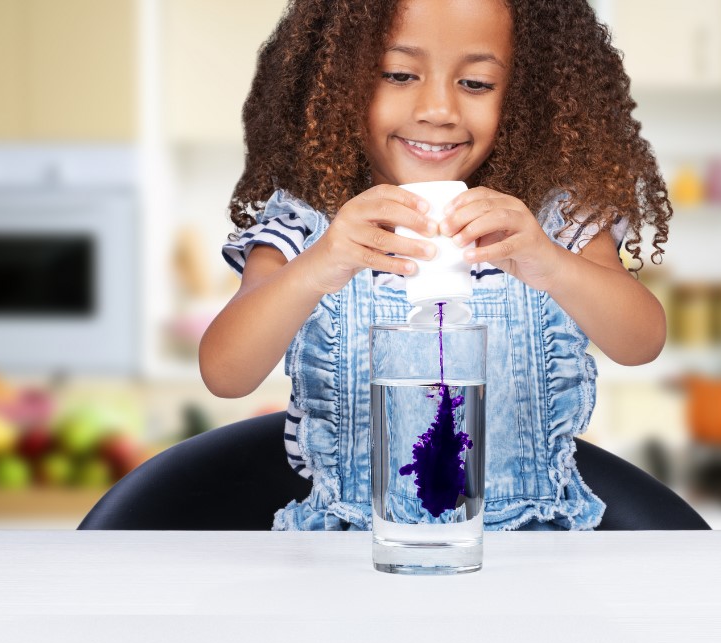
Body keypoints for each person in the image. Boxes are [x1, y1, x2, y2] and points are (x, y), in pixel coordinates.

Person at [200, 0, 677, 531]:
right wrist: (320, 266)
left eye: (476, 83)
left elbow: (642, 341)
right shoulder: (309, 221)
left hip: (536, 557)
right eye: (399, 75)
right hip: (352, 557)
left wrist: (549, 264)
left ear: (525, 95)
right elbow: (225, 373)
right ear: (335, 82)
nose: (438, 109)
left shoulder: (554, 221)